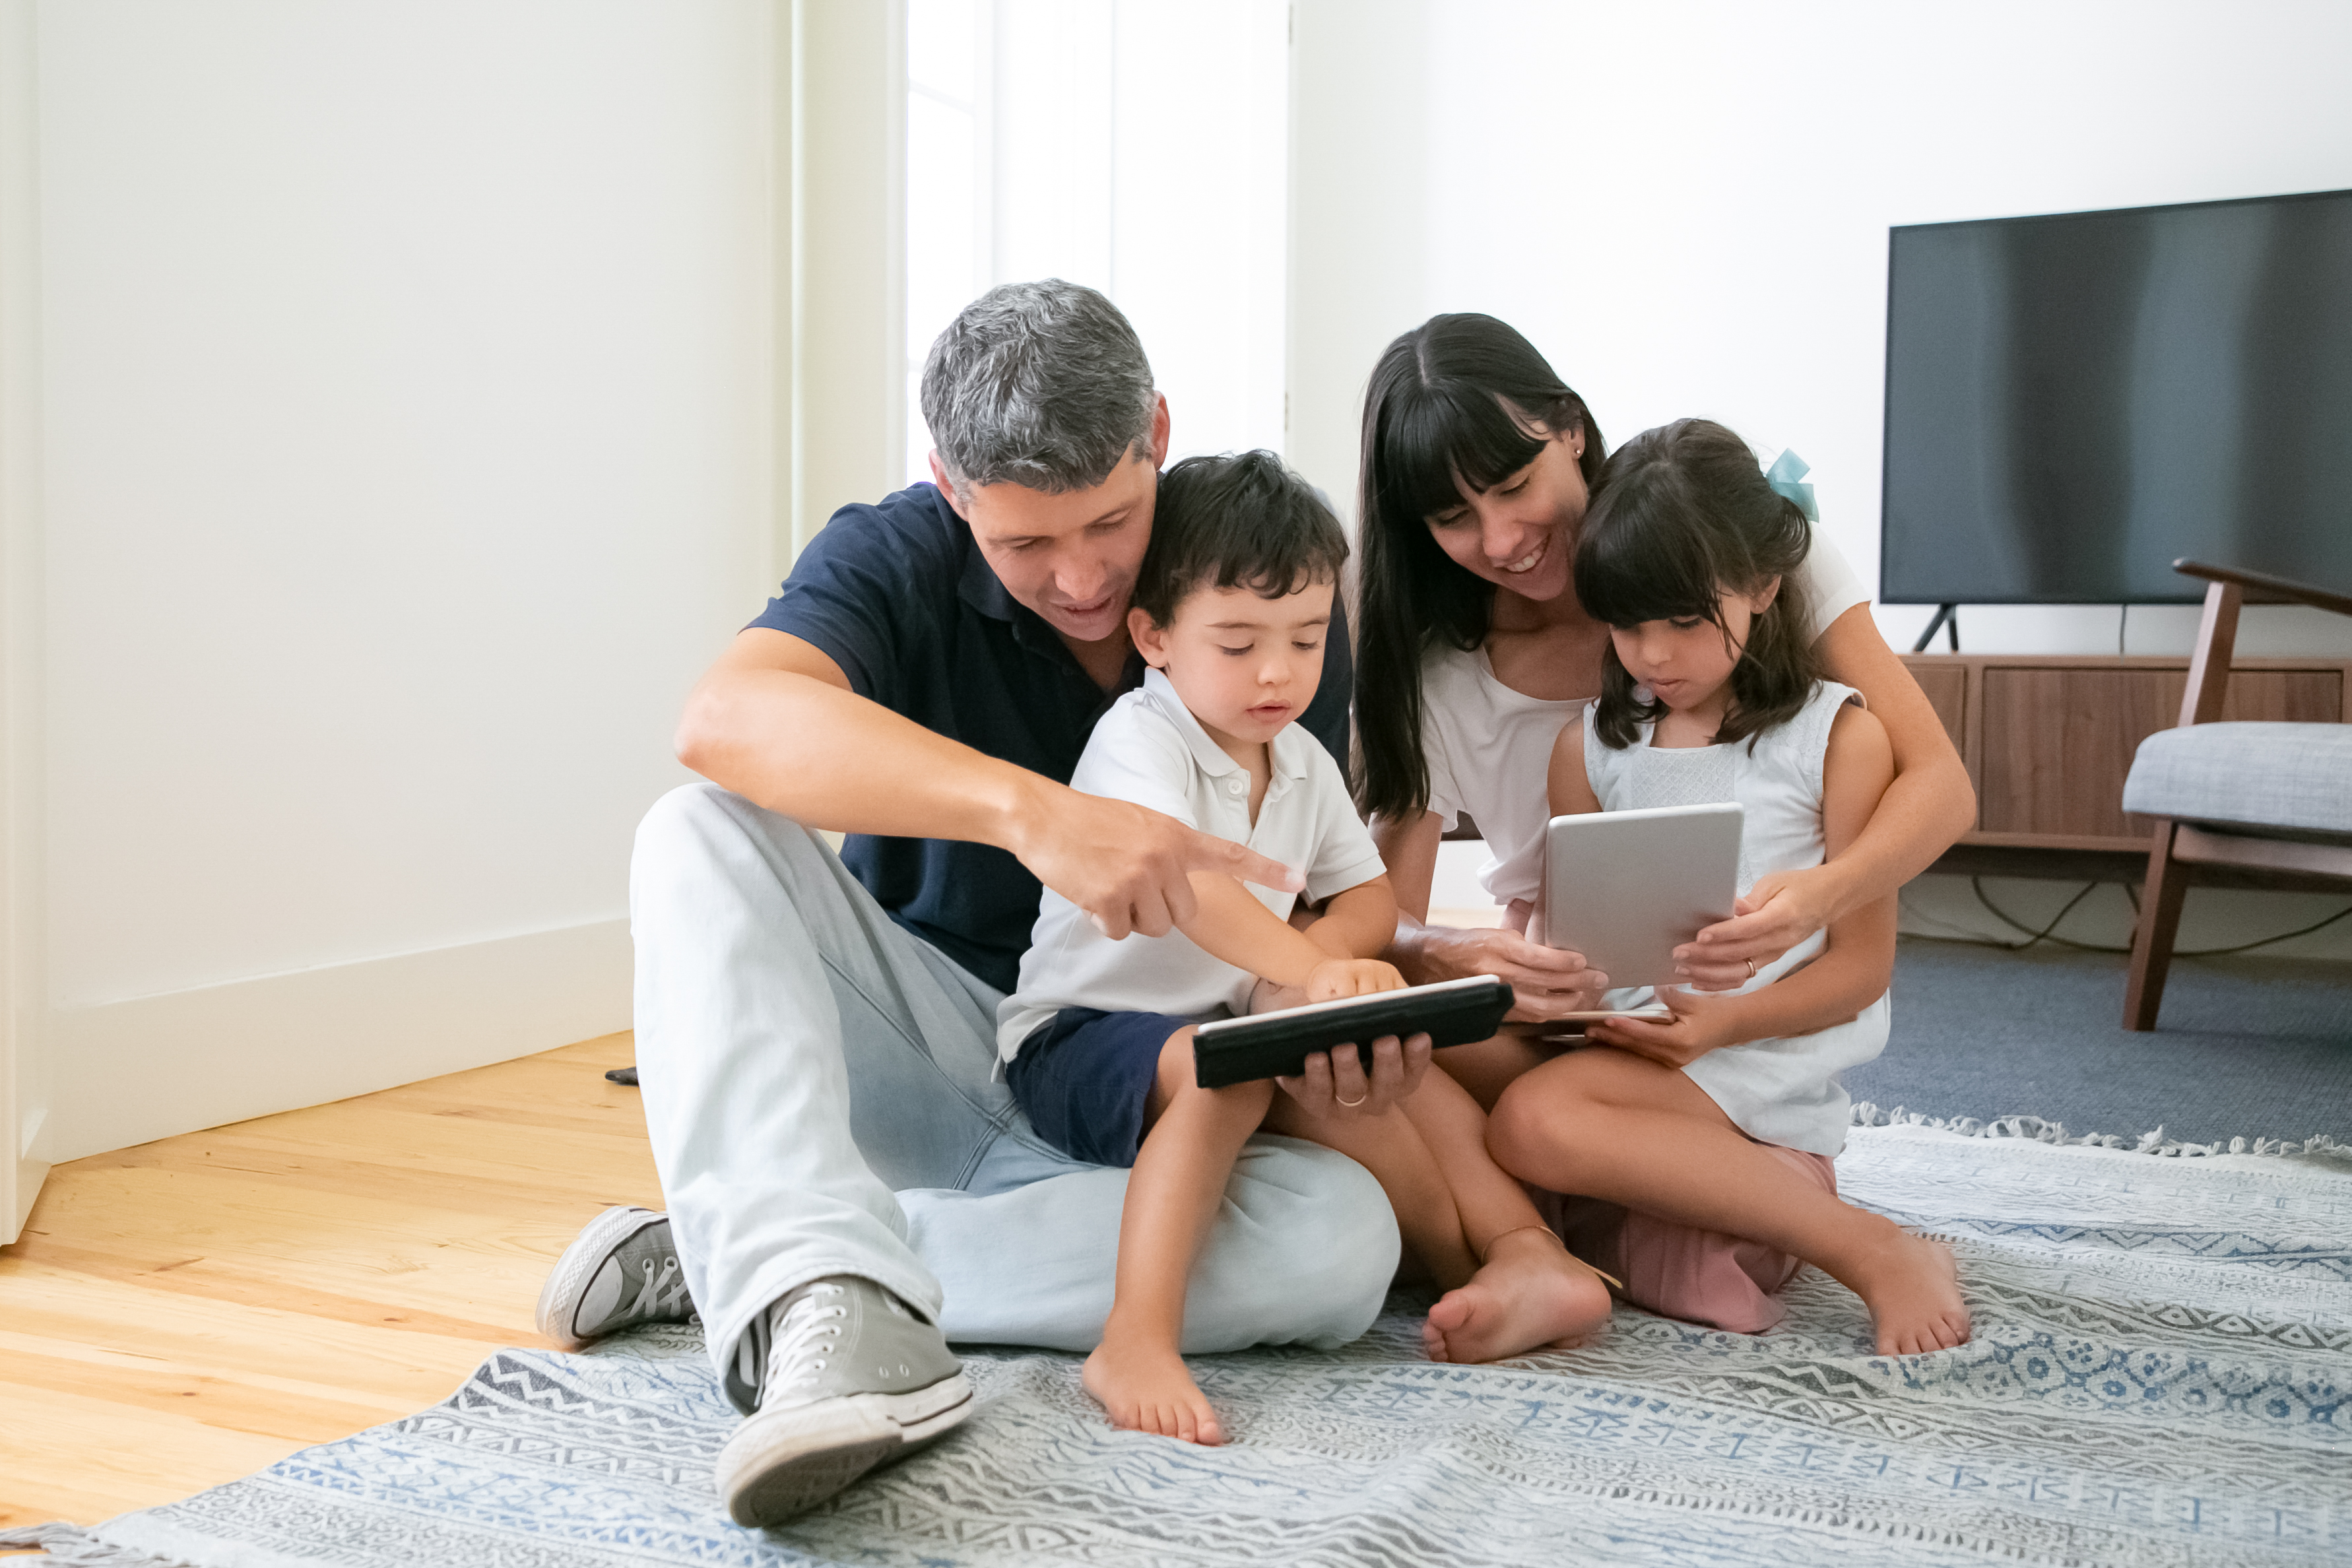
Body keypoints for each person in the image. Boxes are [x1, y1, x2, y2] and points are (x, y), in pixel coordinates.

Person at [536, 282, 1430, 1527]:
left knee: (1343, 1248)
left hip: (1142, 1089)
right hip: (931, 1039)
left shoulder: (1262, 600)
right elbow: (724, 718)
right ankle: (811, 1282)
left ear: (1157, 433)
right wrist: (1034, 813)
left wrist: (1340, 983)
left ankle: (757, 1261)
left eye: (1112, 524)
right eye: (1023, 545)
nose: (1079, 579)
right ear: (953, 493)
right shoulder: (894, 553)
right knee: (693, 830)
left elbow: (1310, 884)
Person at [1350, 313, 1977, 1340]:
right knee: (1382, 1045)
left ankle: (1659, 1220)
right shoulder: (1441, 674)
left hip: (1724, 1014)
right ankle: (1566, 1249)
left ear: (1570, 431)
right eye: (1454, 517)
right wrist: (1465, 955)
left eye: (1513, 486)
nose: (1502, 539)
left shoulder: (1722, 549)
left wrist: (1811, 900)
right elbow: (1382, 923)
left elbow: (1941, 789)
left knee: (1523, 1140)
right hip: (1572, 1000)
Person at [998, 453, 1616, 1445]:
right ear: (1153, 637)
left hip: (1227, 1016)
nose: (1279, 672)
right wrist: (1306, 970)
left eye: (1308, 638)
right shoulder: (1140, 739)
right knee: (1230, 1074)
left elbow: (1367, 891)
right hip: (1083, 1033)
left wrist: (1329, 968)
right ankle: (1136, 1337)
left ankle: (1520, 1251)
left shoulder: (1301, 759)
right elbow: (1189, 891)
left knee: (1387, 1069)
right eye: (1238, 643)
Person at [1476, 418, 1967, 1354]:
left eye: (1685, 621)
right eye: (1628, 625)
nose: (1654, 656)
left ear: (1765, 587)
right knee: (1446, 1061)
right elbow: (1568, 935)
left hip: (1752, 1063)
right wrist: (1546, 980)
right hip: (1631, 1047)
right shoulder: (1591, 747)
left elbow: (1861, 972)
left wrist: (1722, 1023)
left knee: (1536, 1121)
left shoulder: (1838, 741)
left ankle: (1869, 1248)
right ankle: (1675, 1224)